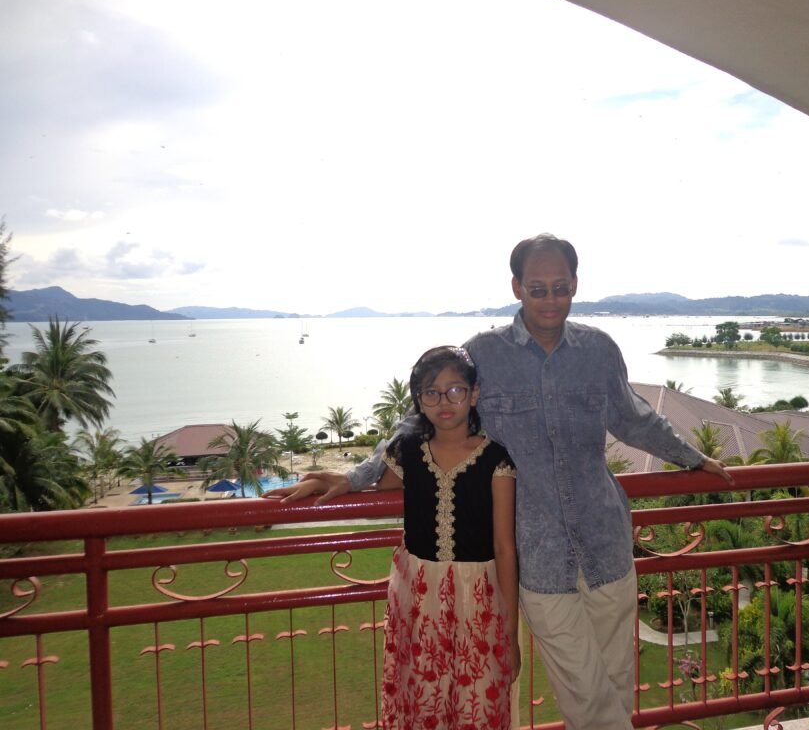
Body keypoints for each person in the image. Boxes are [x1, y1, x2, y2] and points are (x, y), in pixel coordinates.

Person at [272, 234, 733, 730]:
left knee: (617, 684)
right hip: (538, 556)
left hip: (607, 543)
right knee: (584, 692)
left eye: (560, 287)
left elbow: (635, 418)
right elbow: (417, 421)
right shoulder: (483, 355)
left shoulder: (599, 350)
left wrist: (693, 457)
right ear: (517, 287)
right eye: (537, 288)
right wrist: (354, 476)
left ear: (575, 284)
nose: (550, 299)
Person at [265, 346, 520, 729]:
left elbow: (504, 547)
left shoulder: (496, 459)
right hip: (418, 596)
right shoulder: (407, 452)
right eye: (431, 392)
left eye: (455, 390)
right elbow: (376, 484)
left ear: (474, 394)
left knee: (478, 699)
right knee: (422, 695)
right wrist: (334, 480)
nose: (444, 401)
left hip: (479, 598)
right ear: (418, 399)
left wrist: (510, 631)